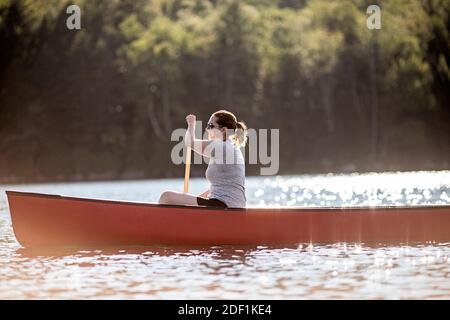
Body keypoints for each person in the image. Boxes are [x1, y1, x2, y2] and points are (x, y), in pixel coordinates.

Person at [158, 109, 247, 208]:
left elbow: (189, 142)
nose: (207, 129)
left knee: (166, 197)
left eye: (210, 126)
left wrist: (191, 125)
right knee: (182, 201)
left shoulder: (222, 147)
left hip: (224, 205)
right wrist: (192, 203)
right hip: (231, 205)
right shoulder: (230, 148)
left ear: (223, 130)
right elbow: (216, 189)